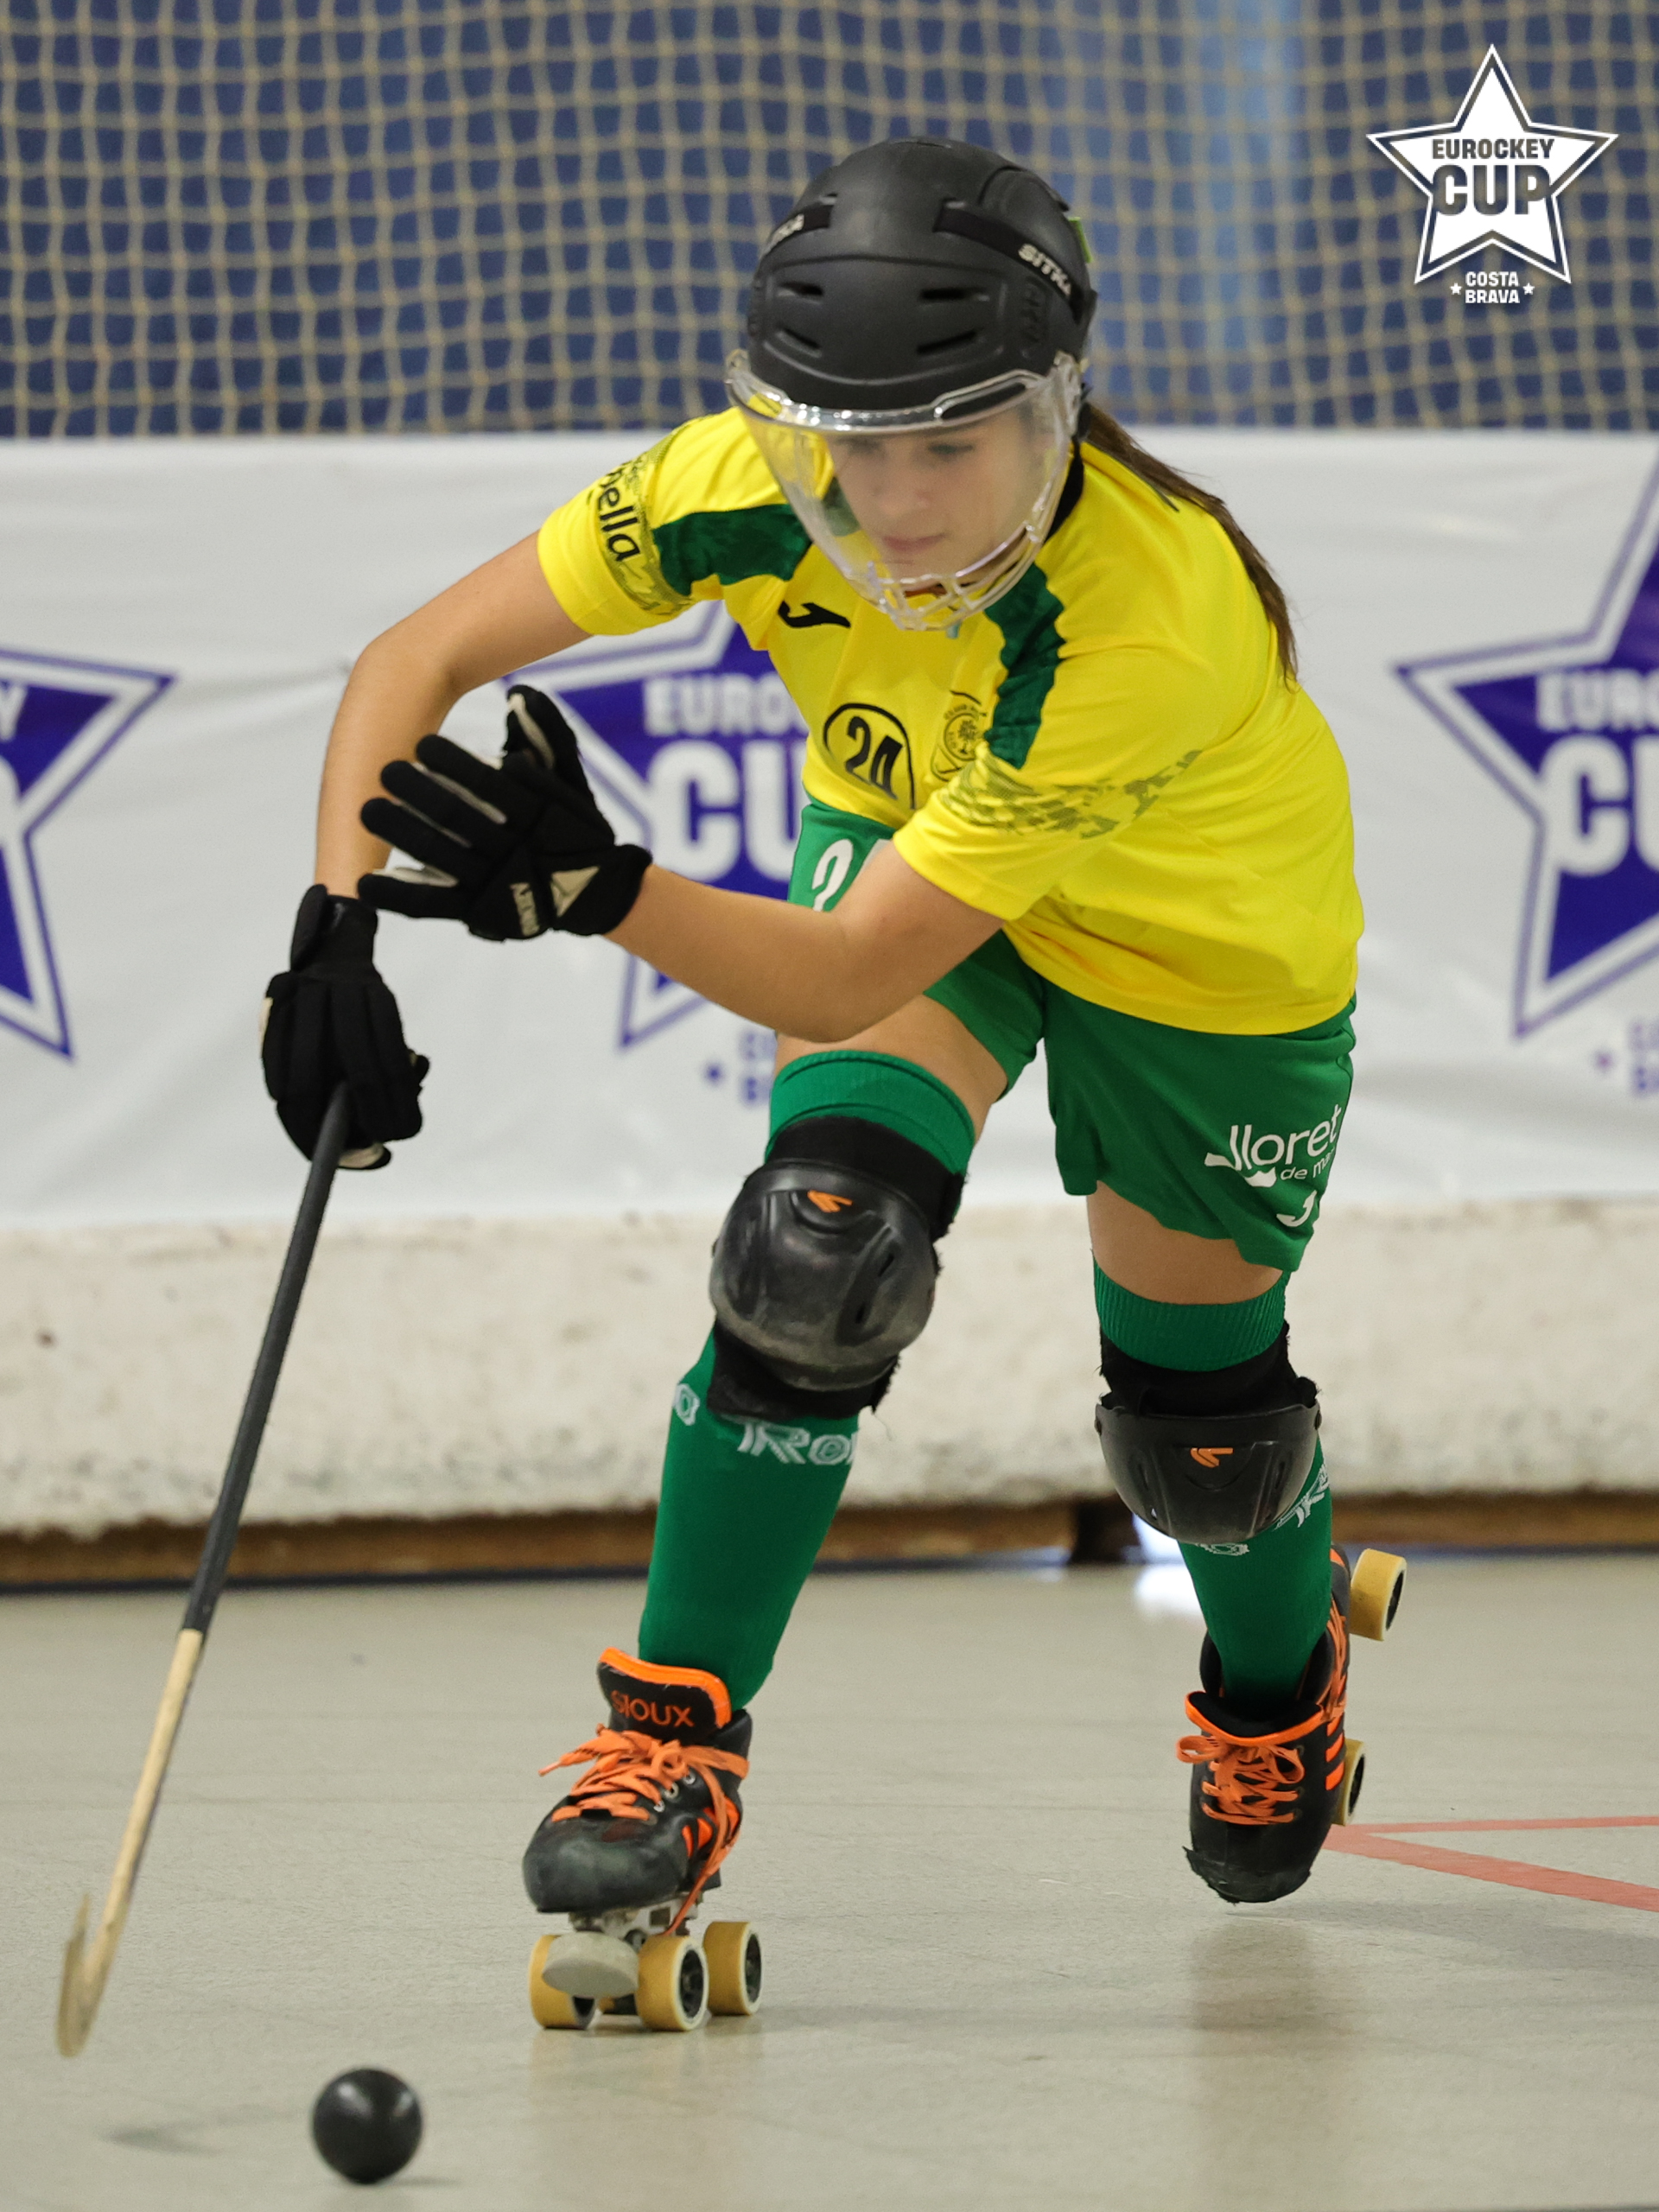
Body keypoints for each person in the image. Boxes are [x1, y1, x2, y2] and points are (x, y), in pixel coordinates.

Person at [262, 137, 1384, 1983]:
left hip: (1204, 950)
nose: (899, 501)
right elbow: (421, 653)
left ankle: (1281, 1692)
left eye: (955, 442)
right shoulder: (742, 481)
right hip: (924, 840)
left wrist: (604, 891)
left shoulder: (1146, 613)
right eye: (855, 447)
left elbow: (855, 967)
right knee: (815, 1249)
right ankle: (671, 1742)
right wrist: (330, 933)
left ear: (1058, 406)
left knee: (1204, 1429)